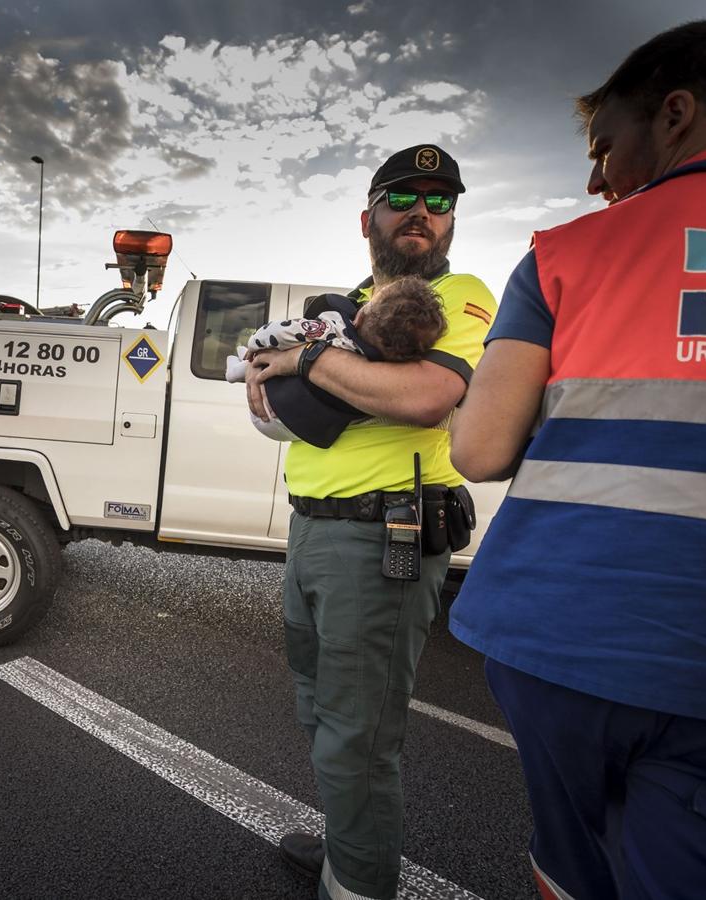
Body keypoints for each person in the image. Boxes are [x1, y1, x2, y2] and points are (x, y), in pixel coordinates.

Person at [448, 20, 706, 900]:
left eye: (604, 149)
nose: (594, 179)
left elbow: (479, 449)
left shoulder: (565, 255)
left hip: (552, 637)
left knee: (572, 862)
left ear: (675, 115)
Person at [244, 145, 496, 900]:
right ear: (369, 217)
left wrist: (306, 360)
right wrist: (291, 370)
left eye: (441, 200)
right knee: (320, 708)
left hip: (384, 538)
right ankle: (349, 843)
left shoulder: (466, 293)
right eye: (404, 196)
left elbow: (424, 396)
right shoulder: (350, 297)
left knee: (361, 736)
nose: (424, 210)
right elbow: (264, 394)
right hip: (314, 530)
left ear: (452, 220)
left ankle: (355, 884)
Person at [226, 276, 447, 447]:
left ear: (359, 316)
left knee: (265, 356)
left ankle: (235, 368)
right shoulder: (383, 370)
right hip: (302, 427)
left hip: (269, 410)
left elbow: (279, 332)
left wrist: (255, 345)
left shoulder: (334, 328)